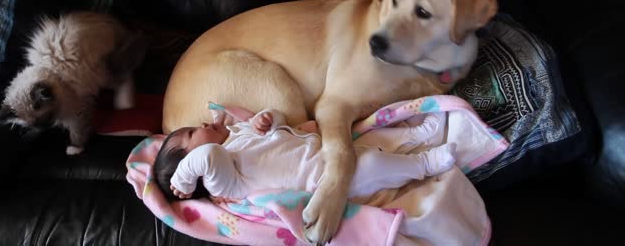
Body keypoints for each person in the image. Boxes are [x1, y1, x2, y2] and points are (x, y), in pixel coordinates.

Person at [153, 107, 456, 202]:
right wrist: (183, 179)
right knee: (376, 164)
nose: (202, 125)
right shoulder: (224, 184)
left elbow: (284, 130)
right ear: (194, 170)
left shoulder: (239, 133)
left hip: (328, 153)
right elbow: (209, 155)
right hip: (325, 183)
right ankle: (425, 163)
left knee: (375, 145)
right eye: (191, 133)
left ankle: (420, 135)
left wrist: (268, 119)